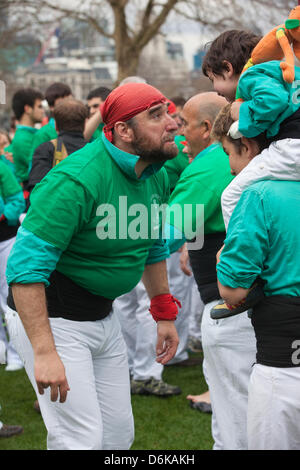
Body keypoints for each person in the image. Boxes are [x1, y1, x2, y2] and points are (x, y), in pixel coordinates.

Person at [5, 82, 181, 450]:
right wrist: (44, 351)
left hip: (103, 316)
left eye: (168, 112)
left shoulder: (156, 174)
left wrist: (164, 312)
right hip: (54, 319)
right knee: (79, 439)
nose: (172, 123)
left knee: (119, 436)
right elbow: (24, 272)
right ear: (122, 131)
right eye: (156, 115)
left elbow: (151, 247)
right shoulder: (75, 180)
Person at [214, 103, 300, 450]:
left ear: (248, 146)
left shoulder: (256, 196)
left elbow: (233, 291)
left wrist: (224, 257)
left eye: (228, 155)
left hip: (282, 368)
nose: (230, 168)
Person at [28, 99, 88, 192]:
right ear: (84, 124)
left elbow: (36, 191)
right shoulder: (96, 151)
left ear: (55, 125)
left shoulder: (45, 150)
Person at [0, 159, 25, 371]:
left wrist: (3, 215)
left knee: (9, 297)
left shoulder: (2, 168)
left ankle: (17, 353)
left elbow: (17, 200)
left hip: (4, 240)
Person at [7, 88, 44, 185]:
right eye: (39, 107)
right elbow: (38, 169)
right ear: (27, 109)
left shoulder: (30, 134)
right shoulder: (23, 139)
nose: (43, 111)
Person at [29, 82, 73, 158]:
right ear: (51, 106)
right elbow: (35, 164)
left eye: (71, 101)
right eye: (63, 102)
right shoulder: (43, 134)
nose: (69, 105)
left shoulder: (79, 128)